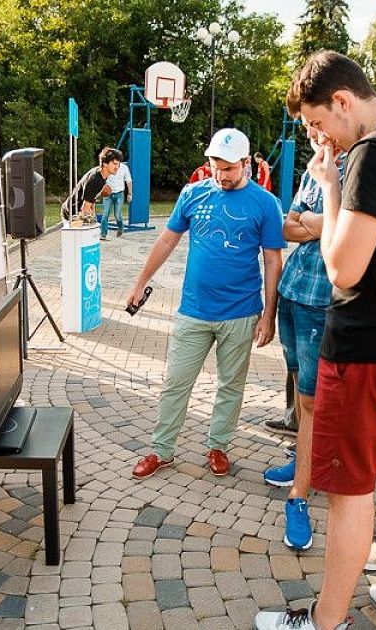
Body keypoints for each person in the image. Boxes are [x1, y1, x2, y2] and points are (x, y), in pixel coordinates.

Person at [255, 50, 376, 630]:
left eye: (317, 122)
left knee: (350, 490)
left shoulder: (371, 154)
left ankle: (326, 619)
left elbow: (343, 269)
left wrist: (329, 186)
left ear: (342, 101)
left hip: (362, 350)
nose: (318, 135)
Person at [127, 128, 284, 480]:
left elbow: (273, 260)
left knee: (230, 385)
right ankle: (161, 449)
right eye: (216, 167)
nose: (221, 175)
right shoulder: (193, 194)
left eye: (229, 168)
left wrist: (268, 315)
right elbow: (168, 240)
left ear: (246, 163)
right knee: (176, 382)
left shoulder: (264, 204)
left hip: (242, 313)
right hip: (193, 310)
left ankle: (218, 445)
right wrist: (140, 283)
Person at [262, 131, 344, 552]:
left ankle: (300, 494)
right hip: (295, 292)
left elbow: (347, 234)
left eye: (317, 123)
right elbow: (287, 226)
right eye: (307, 127)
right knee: (301, 390)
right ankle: (306, 461)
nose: (314, 134)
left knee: (313, 400)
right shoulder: (317, 168)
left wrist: (316, 222)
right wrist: (321, 223)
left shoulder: (358, 166)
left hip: (323, 304)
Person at [62, 147, 123, 234]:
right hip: (72, 212)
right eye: (114, 164)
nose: (117, 167)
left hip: (76, 211)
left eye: (118, 164)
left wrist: (93, 215)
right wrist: (92, 224)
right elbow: (85, 208)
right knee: (78, 242)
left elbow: (91, 198)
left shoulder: (102, 175)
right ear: (105, 163)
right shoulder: (95, 179)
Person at [100, 154, 132, 239]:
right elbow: (102, 178)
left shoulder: (124, 168)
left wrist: (130, 194)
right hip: (108, 195)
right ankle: (103, 234)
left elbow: (129, 181)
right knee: (105, 215)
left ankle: (121, 228)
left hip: (119, 194)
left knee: (117, 215)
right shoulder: (108, 166)